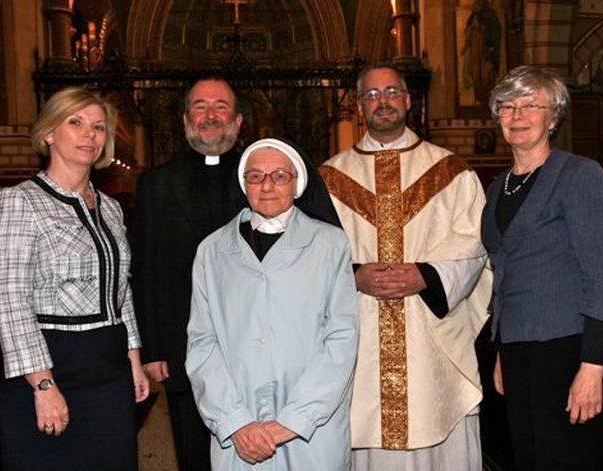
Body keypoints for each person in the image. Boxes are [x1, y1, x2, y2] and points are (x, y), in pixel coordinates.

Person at [319, 62, 492, 470]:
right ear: (359, 107)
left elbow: (473, 239)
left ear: (408, 100)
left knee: (437, 418)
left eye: (392, 93)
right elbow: (314, 252)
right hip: (360, 336)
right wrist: (354, 275)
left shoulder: (452, 172)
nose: (383, 103)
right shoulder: (328, 179)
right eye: (372, 96)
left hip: (429, 335)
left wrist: (427, 275)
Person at [0, 86, 149, 470]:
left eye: (97, 126)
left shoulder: (109, 207)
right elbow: (10, 301)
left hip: (109, 369)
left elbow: (121, 289)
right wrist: (42, 386)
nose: (89, 133)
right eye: (75, 122)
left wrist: (134, 358)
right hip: (50, 364)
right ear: (48, 133)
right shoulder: (19, 201)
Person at [185, 137, 359, 470]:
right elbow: (202, 344)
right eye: (255, 176)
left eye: (280, 176)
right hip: (240, 428)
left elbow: (341, 340)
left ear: (297, 184)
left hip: (311, 430)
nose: (267, 185)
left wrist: (292, 421)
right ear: (243, 183)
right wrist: (235, 421)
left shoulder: (331, 244)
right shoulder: (211, 250)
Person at [481, 65, 603, 470]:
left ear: (553, 116)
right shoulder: (497, 187)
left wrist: (593, 367)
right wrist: (503, 350)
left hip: (567, 348)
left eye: (530, 105)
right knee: (526, 459)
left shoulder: (578, 175)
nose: (517, 115)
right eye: (507, 106)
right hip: (517, 348)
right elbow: (503, 271)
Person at [131, 76, 244, 470]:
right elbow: (145, 269)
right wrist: (152, 348)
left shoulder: (262, 179)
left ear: (238, 120)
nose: (210, 115)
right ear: (185, 120)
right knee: (194, 454)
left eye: (220, 106)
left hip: (254, 344)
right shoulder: (156, 184)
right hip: (182, 346)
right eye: (200, 106)